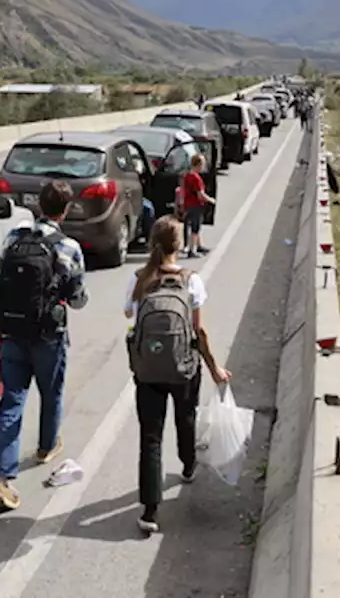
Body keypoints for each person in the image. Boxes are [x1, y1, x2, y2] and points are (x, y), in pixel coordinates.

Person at [0, 180, 88, 512]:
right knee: (51, 392)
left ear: (39, 205)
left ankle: (2, 479)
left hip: (12, 333)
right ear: (66, 210)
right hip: (47, 336)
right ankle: (46, 447)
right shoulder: (68, 247)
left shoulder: (14, 238)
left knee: (12, 401)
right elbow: (78, 298)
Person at [124, 215, 230, 534]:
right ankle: (187, 464)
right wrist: (214, 368)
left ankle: (150, 511)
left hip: (147, 370)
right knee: (186, 418)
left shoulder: (138, 279)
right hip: (184, 367)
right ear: (180, 245)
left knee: (150, 436)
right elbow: (199, 331)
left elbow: (128, 313)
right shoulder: (191, 280)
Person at [180, 152, 214, 257]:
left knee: (193, 225)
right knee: (195, 227)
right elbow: (200, 195)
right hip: (196, 205)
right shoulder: (197, 179)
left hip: (188, 204)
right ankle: (192, 250)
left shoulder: (187, 176)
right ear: (198, 165)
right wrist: (210, 200)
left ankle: (199, 245)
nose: (203, 167)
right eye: (202, 164)